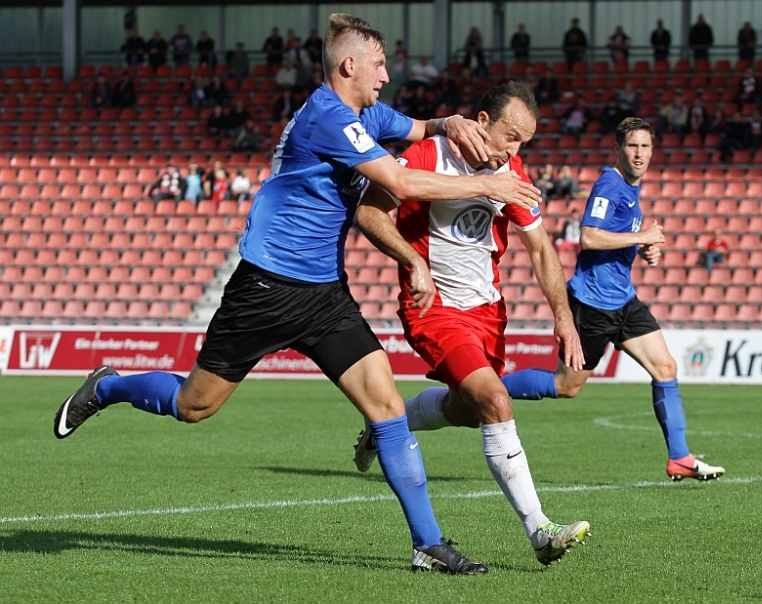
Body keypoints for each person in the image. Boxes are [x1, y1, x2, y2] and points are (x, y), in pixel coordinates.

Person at [52, 13, 539, 575]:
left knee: (386, 408)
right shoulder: (327, 117)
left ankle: (427, 544)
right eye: (380, 65)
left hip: (324, 295)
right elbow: (401, 182)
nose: (387, 75)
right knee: (194, 406)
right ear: (349, 65)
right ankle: (108, 386)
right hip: (266, 286)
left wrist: (449, 121)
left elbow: (420, 126)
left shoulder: (369, 113)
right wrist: (488, 183)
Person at [351, 81, 591, 567]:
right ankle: (540, 530)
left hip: (488, 313)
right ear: (482, 121)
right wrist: (413, 262)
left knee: (468, 411)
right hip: (435, 308)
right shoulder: (428, 154)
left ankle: (387, 425)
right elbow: (370, 214)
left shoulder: (511, 173)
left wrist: (564, 318)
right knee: (496, 401)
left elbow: (541, 248)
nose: (514, 149)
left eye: (524, 141)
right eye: (510, 136)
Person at [499, 117, 726, 482]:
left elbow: (618, 237)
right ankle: (489, 387)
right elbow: (589, 237)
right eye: (633, 146)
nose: (639, 153)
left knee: (665, 368)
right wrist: (641, 237)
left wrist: (644, 248)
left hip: (623, 301)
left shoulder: (631, 189)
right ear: (619, 149)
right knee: (566, 386)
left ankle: (680, 457)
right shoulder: (610, 185)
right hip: (593, 303)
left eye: (645, 146)